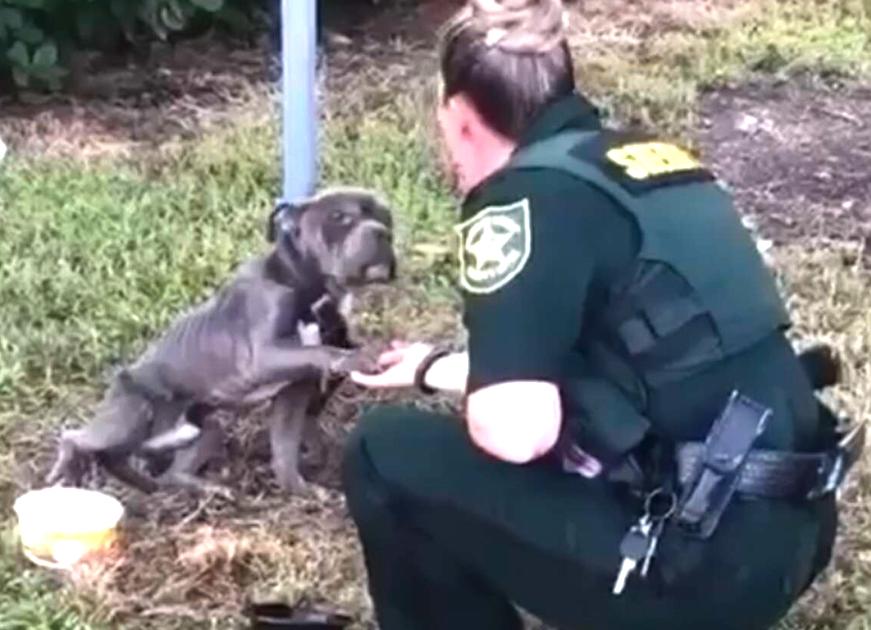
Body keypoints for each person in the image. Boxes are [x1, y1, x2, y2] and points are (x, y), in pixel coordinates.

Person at [338, 1, 863, 629]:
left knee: (382, 453)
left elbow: (516, 430)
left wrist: (487, 393)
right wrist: (433, 367)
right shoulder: (650, 162)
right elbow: (638, 365)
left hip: (692, 572)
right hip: (785, 534)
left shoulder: (518, 200)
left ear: (459, 117)